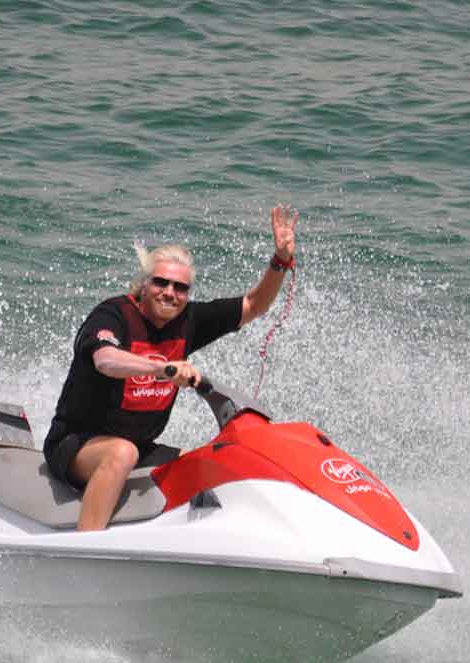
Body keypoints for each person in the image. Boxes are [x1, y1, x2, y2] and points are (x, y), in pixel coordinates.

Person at [43, 205, 299, 531]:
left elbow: (254, 305)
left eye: (180, 288)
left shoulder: (188, 320)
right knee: (121, 453)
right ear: (144, 284)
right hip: (76, 444)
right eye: (161, 283)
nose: (170, 293)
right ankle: (86, 546)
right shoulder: (113, 315)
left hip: (142, 449)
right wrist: (161, 369)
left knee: (209, 463)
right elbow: (105, 360)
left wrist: (280, 260)